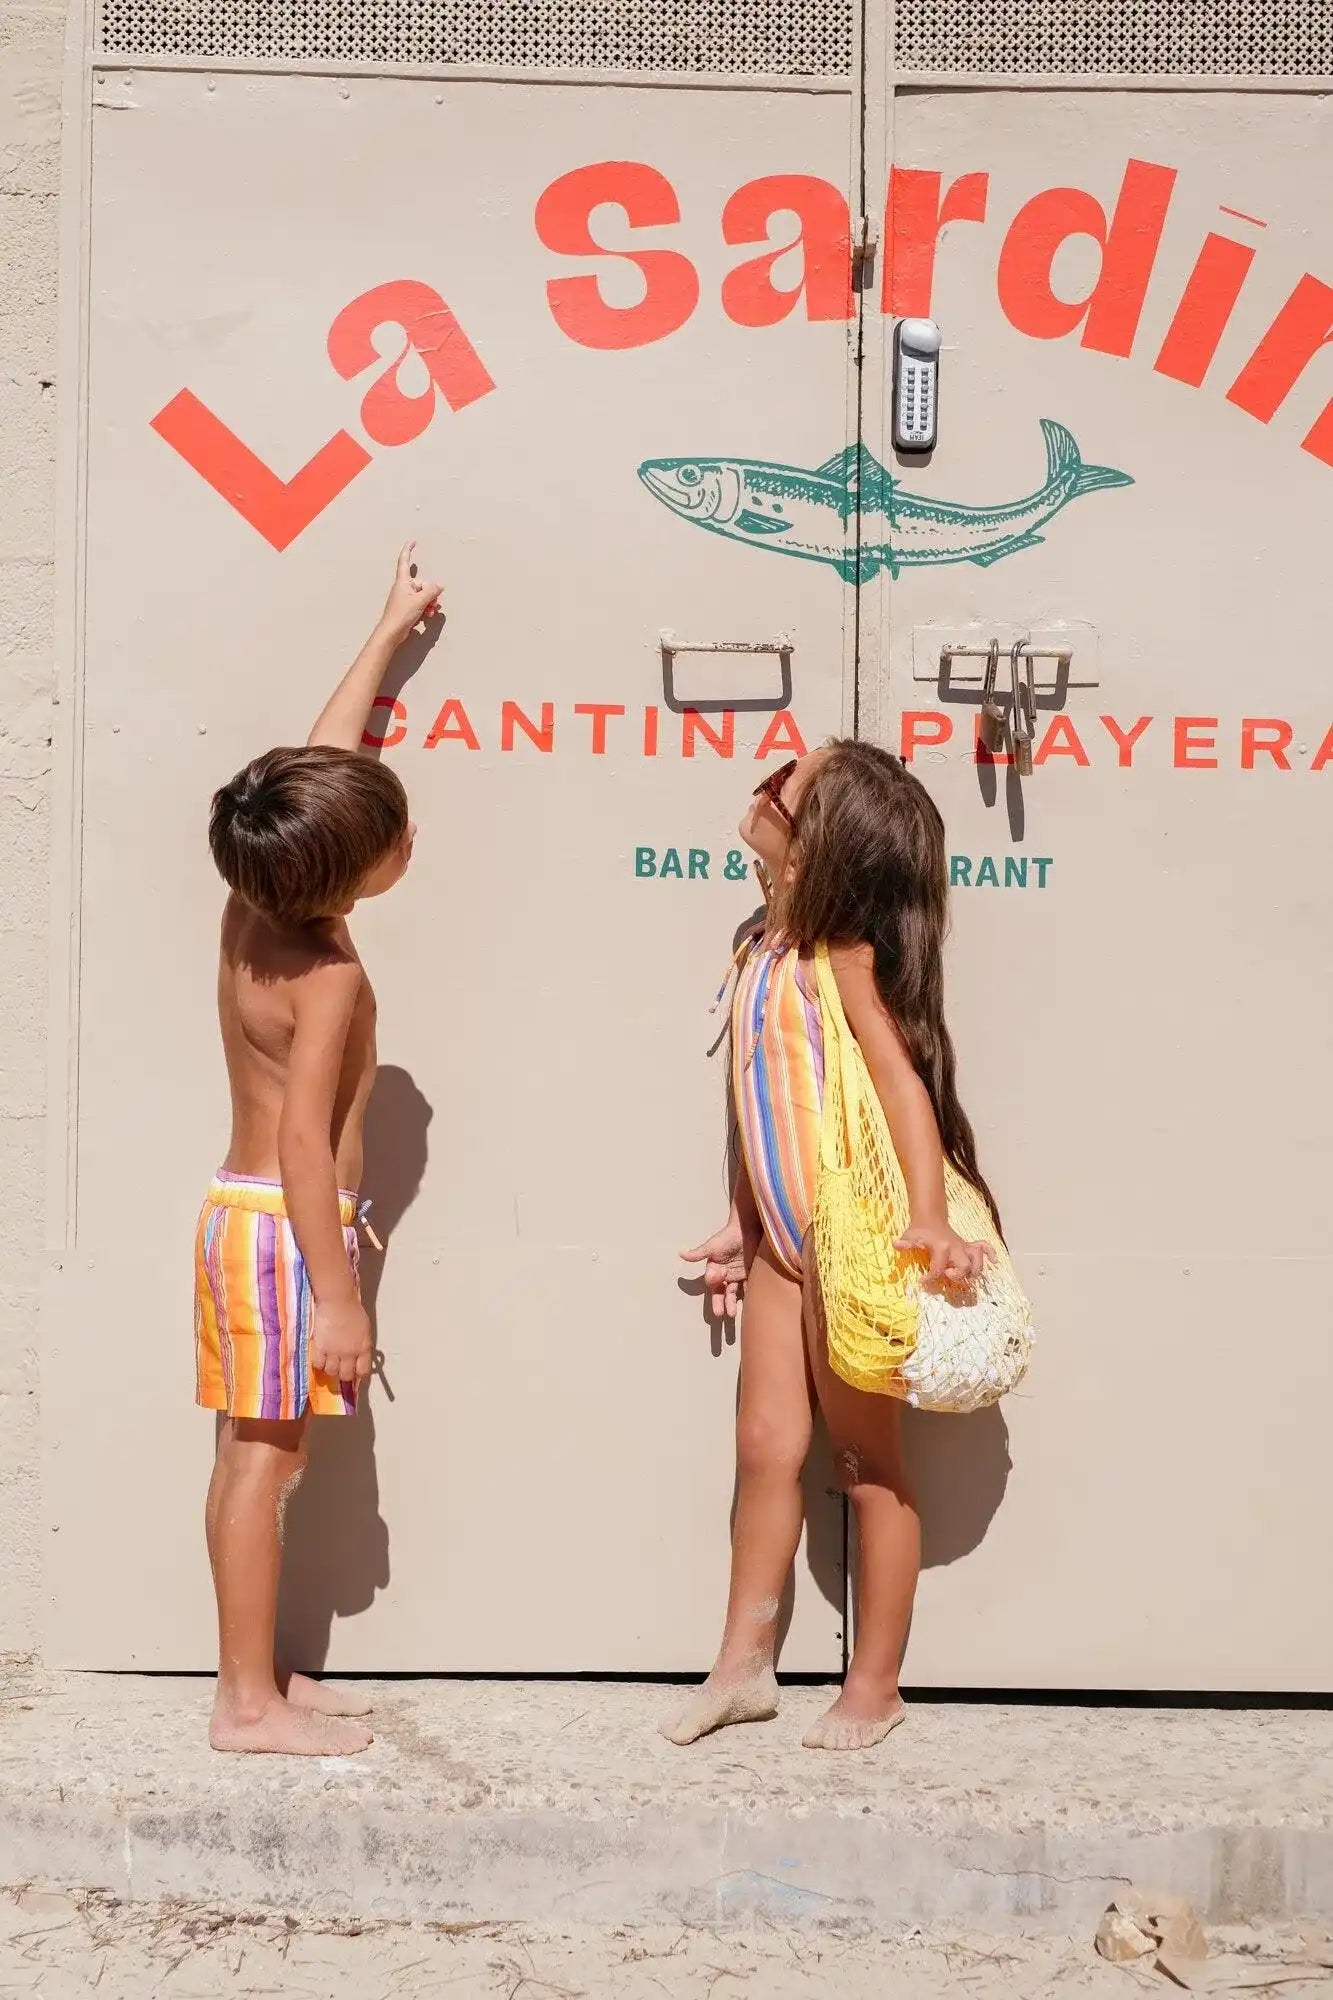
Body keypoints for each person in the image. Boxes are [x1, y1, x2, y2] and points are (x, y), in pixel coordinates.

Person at [666, 741, 998, 1751]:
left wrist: (930, 1217)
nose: (761, 788)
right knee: (764, 1449)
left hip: (851, 1249)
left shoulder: (838, 960)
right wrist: (741, 1213)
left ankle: (876, 1682)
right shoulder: (754, 943)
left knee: (866, 1456)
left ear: (817, 849)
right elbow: (755, 1103)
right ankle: (743, 1664)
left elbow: (902, 1087)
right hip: (780, 1248)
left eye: (785, 787)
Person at [195, 542, 441, 1755]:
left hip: (248, 1222)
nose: (408, 839)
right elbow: (305, 1138)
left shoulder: (260, 898)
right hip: (289, 1234)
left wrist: (387, 629)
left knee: (254, 1454)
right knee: (266, 1465)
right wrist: (338, 1300)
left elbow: (322, 764)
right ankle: (245, 1703)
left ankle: (264, 1673)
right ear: (343, 877)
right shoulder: (329, 969)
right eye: (392, 838)